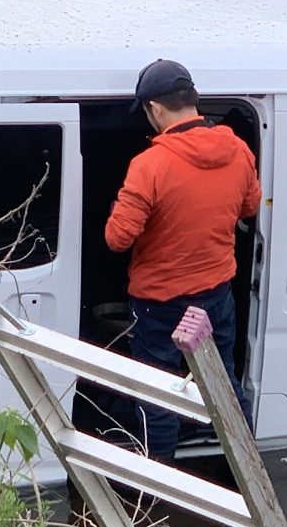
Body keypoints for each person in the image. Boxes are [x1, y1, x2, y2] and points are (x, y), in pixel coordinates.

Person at [103, 58, 260, 460]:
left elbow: (117, 239)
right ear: (192, 100)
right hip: (215, 295)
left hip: (159, 303)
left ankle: (160, 488)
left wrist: (119, 204)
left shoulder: (149, 165)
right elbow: (249, 207)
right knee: (223, 384)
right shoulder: (239, 150)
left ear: (155, 109)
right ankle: (248, 468)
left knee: (159, 395)